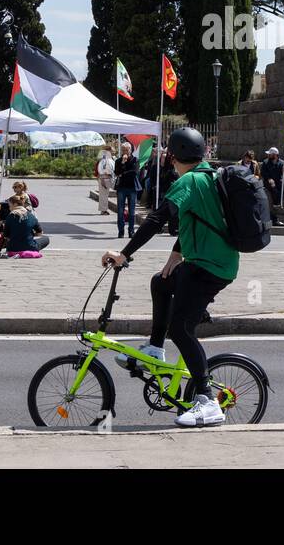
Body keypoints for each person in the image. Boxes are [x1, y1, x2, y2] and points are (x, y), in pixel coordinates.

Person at [101, 127, 237, 428]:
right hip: (207, 261)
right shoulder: (207, 177)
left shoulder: (189, 180)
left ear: (174, 156)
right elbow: (199, 219)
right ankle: (155, 349)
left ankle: (207, 400)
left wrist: (124, 254)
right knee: (160, 282)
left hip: (210, 267)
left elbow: (156, 219)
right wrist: (176, 253)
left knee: (181, 328)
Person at [3, 194, 49, 258]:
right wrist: (31, 234)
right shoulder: (31, 216)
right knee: (46, 239)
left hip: (12, 248)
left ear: (15, 204)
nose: (9, 207)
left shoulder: (10, 216)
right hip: (30, 246)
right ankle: (28, 251)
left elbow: (6, 235)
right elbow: (40, 232)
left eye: (9, 205)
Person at [114, 142, 139, 240]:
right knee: (120, 210)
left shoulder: (135, 160)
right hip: (121, 188)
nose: (125, 152)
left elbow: (134, 172)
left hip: (132, 188)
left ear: (130, 150)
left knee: (132, 211)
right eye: (123, 150)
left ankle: (131, 231)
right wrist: (123, 164)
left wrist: (123, 173)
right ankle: (121, 231)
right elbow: (116, 172)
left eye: (126, 150)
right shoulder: (118, 161)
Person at [261, 147, 284, 227]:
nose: (268, 155)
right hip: (268, 183)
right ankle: (276, 205)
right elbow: (263, 173)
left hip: (278, 182)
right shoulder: (265, 162)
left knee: (281, 189)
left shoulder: (281, 163)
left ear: (275, 155)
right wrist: (269, 179)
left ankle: (277, 203)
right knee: (273, 189)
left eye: (270, 154)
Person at [96, 147, 115, 215]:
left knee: (105, 194)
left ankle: (104, 209)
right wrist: (102, 179)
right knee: (103, 194)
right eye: (112, 151)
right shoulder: (104, 159)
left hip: (108, 178)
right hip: (104, 177)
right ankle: (103, 210)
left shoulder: (110, 158)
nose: (114, 152)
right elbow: (101, 170)